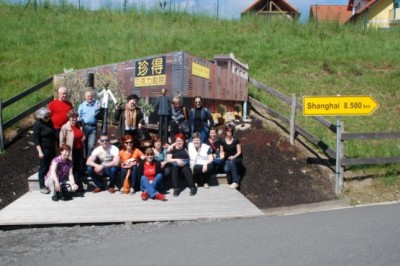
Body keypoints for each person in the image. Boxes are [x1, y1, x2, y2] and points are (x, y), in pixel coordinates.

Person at [59, 110, 85, 192]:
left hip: (80, 149)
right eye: (72, 117)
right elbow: (61, 141)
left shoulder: (79, 125)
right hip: (71, 150)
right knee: (73, 168)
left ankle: (77, 184)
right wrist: (63, 151)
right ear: (69, 118)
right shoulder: (65, 127)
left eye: (75, 117)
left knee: (79, 167)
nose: (74, 119)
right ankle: (77, 185)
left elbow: (81, 135)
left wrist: (83, 138)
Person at [33, 107, 56, 194]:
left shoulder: (50, 122)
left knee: (51, 165)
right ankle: (42, 186)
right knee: (43, 166)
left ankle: (50, 182)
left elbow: (53, 134)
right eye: (46, 117)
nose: (48, 118)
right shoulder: (37, 124)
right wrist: (40, 151)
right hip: (43, 148)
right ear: (41, 117)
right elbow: (36, 139)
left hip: (51, 147)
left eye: (48, 116)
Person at [166, 133, 197, 197]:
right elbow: (168, 159)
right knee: (174, 167)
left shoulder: (187, 146)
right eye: (177, 141)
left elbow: (194, 141)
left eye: (181, 141)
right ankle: (175, 189)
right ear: (175, 141)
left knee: (186, 169)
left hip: (185, 167)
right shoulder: (172, 149)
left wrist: (173, 144)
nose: (179, 142)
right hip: (176, 168)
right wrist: (177, 160)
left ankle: (192, 187)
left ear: (183, 141)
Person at [220, 124, 244, 189]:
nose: (229, 131)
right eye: (228, 130)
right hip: (228, 159)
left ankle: (236, 182)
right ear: (225, 131)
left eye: (231, 130)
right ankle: (236, 175)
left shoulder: (236, 140)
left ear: (232, 131)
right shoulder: (222, 141)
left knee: (231, 162)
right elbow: (221, 151)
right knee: (226, 169)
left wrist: (234, 156)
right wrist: (222, 155)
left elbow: (239, 152)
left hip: (237, 158)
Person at [78, 89, 100, 158]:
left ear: (93, 96)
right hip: (84, 127)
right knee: (85, 145)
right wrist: (80, 126)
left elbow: (101, 109)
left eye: (91, 96)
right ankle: (84, 161)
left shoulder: (97, 103)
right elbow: (78, 117)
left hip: (93, 128)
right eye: (88, 96)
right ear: (85, 97)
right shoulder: (82, 106)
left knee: (91, 146)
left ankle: (88, 162)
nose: (89, 97)